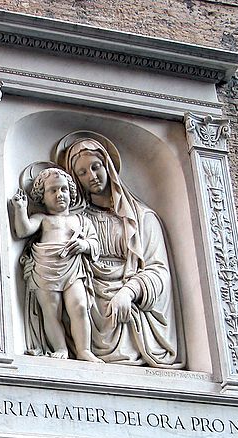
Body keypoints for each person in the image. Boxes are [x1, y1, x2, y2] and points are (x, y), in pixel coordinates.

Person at [62, 136, 183, 367]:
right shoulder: (75, 221)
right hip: (89, 301)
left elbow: (159, 271)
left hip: (131, 304)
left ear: (107, 165)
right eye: (82, 173)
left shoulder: (143, 218)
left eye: (95, 167)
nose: (92, 176)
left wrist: (129, 291)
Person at [10, 167, 102, 362]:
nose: (59, 194)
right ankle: (60, 348)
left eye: (63, 189)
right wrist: (20, 209)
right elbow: (22, 231)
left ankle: (84, 350)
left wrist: (84, 244)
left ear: (71, 192)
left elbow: (94, 244)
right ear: (42, 196)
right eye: (52, 190)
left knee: (79, 306)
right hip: (45, 269)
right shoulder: (42, 219)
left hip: (72, 269)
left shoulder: (80, 221)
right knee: (51, 310)